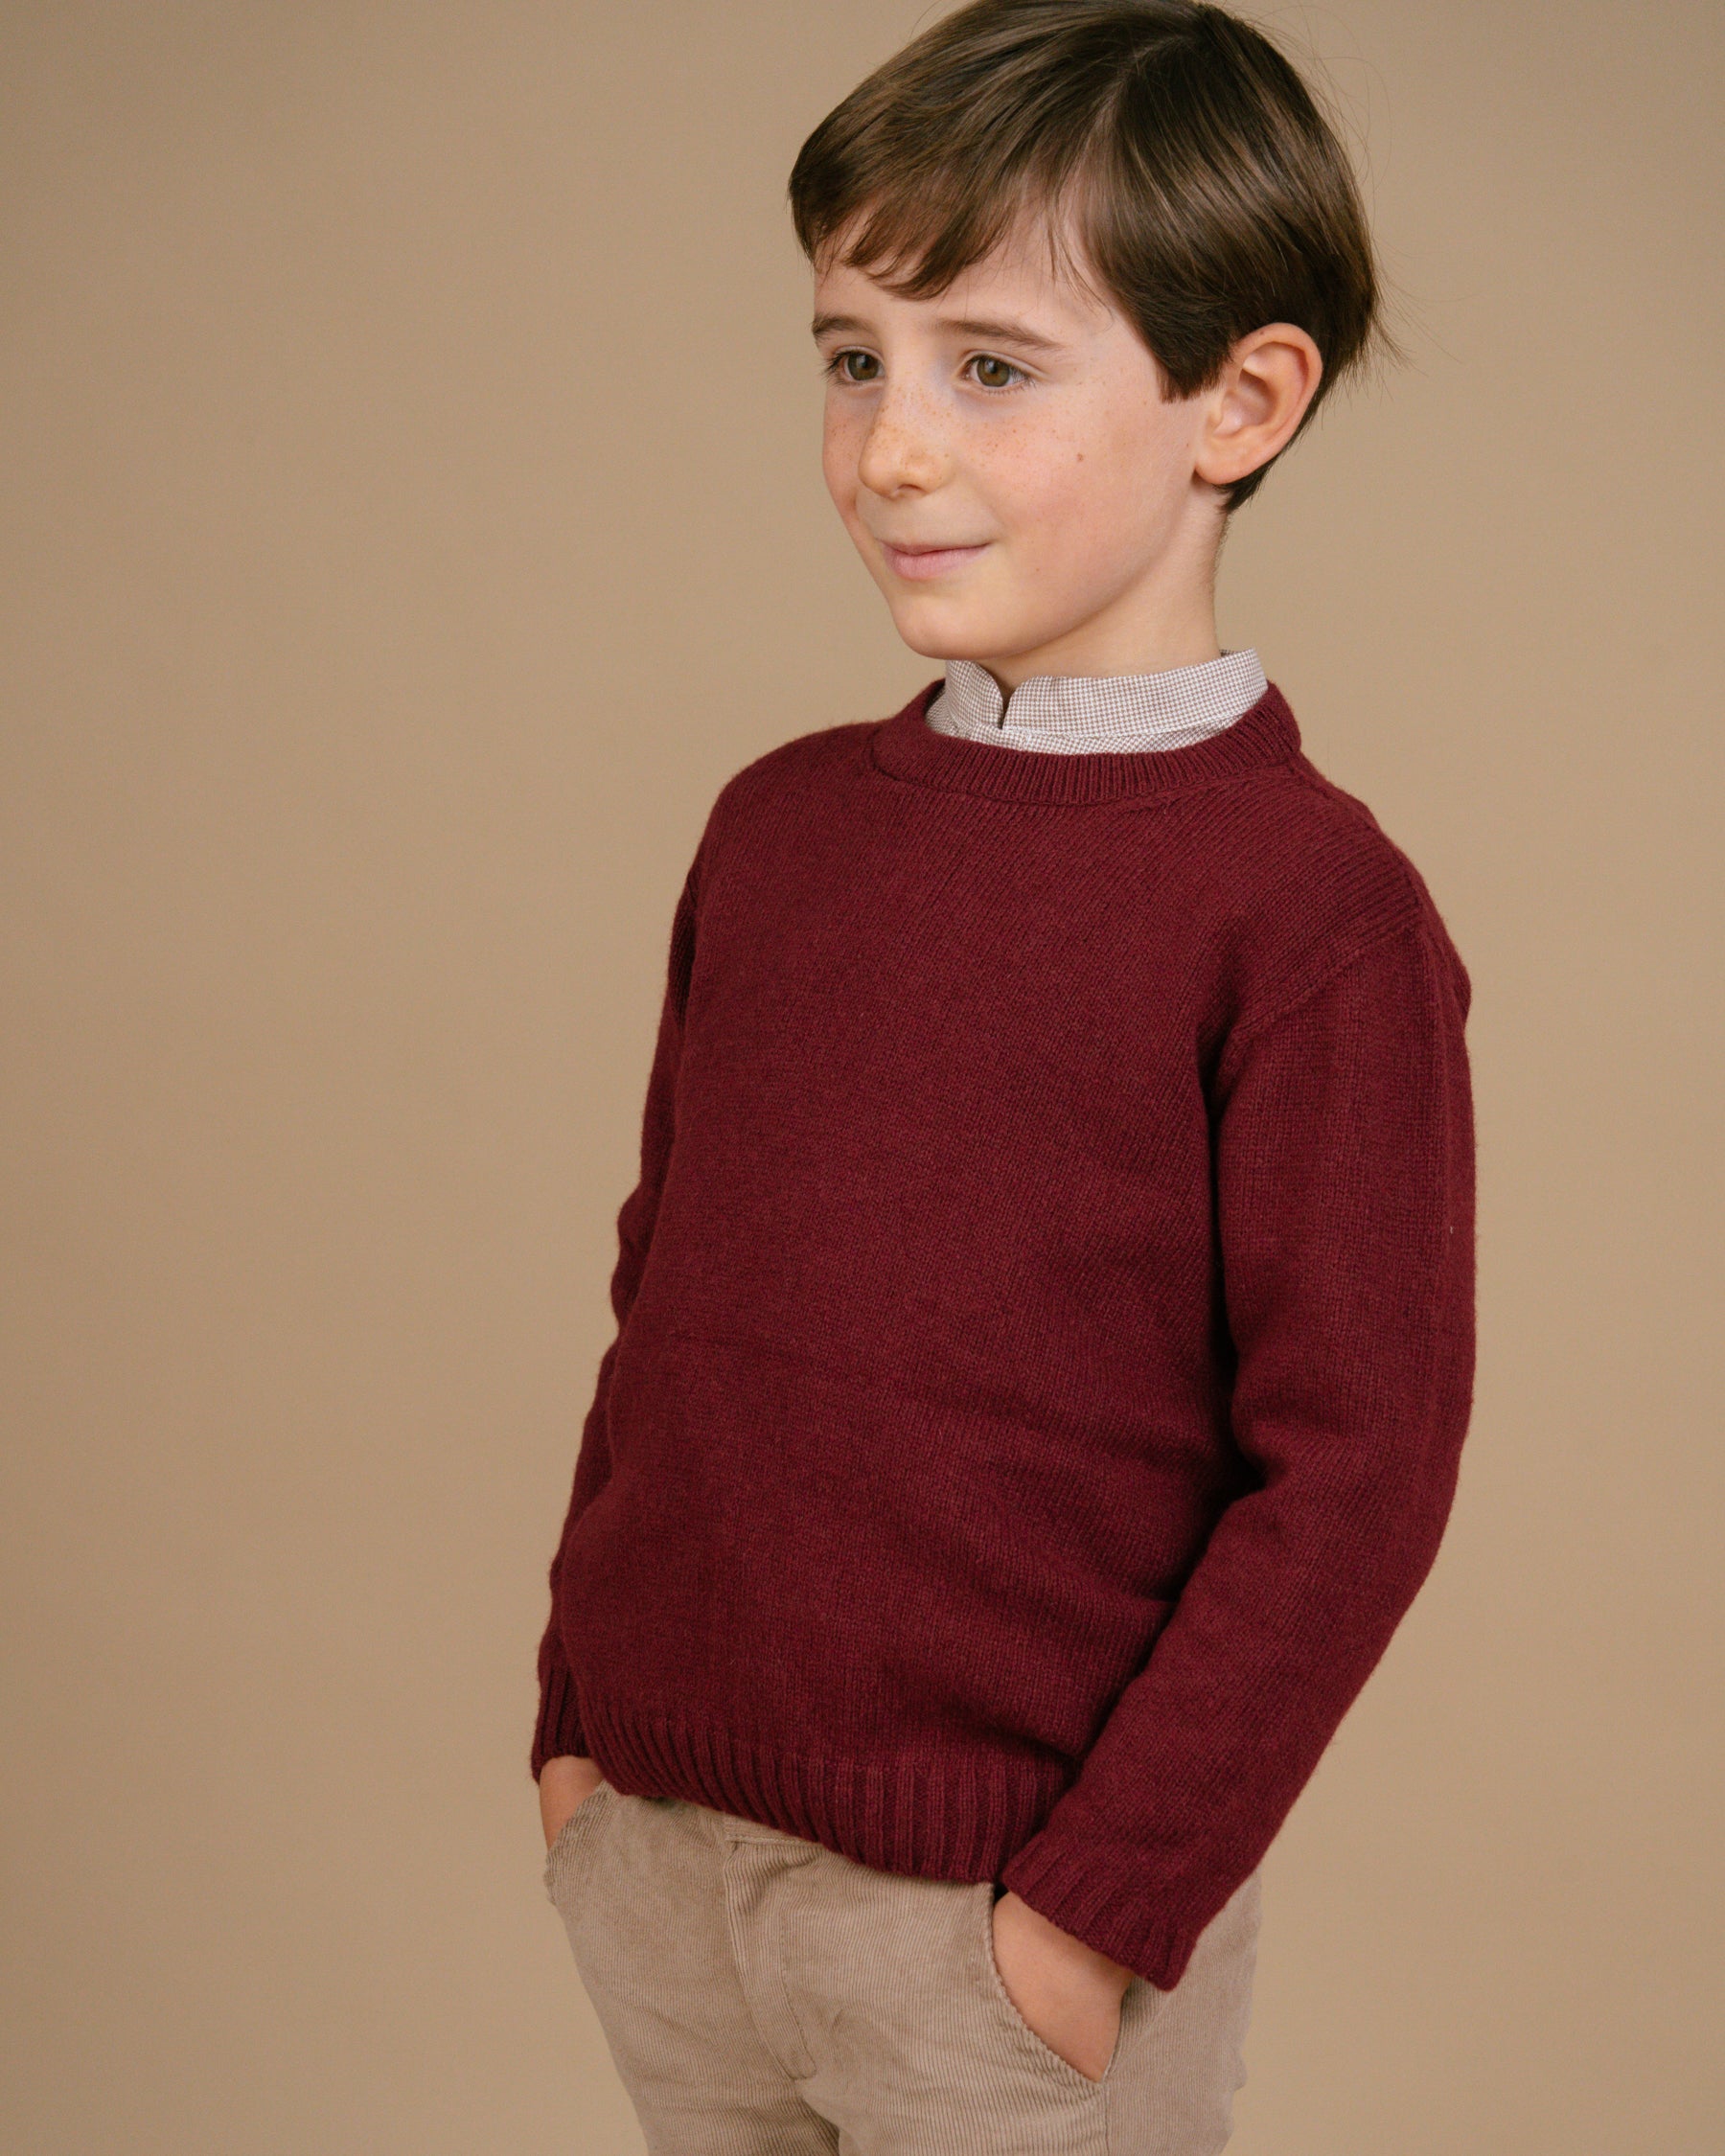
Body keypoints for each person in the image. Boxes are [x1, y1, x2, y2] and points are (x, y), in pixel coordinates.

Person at [531, 3, 1476, 2149]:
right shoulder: (776, 826)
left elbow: (1356, 1470)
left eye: (989, 365)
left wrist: (1096, 1909)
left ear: (1238, 400)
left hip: (999, 1933)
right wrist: (581, 1725)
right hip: (667, 1872)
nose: (891, 447)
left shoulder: (1312, 914)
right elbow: (664, 1284)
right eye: (852, 355)